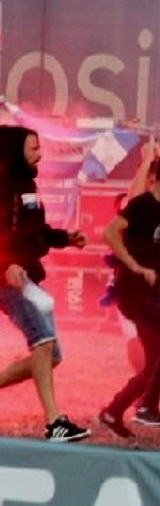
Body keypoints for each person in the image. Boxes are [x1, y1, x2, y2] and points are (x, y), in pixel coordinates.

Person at [99, 151, 160, 438]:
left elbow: (157, 254)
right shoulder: (142, 204)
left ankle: (113, 411)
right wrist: (135, 266)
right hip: (133, 292)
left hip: (151, 292)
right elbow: (110, 233)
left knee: (153, 361)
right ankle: (148, 406)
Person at [0, 125, 91, 442]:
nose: (41, 154)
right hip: (10, 278)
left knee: (51, 355)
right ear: (16, 152)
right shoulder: (2, 184)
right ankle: (55, 423)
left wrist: (66, 238)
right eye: (34, 148)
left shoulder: (28, 185)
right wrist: (5, 266)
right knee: (43, 341)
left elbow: (34, 230)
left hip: (27, 275)